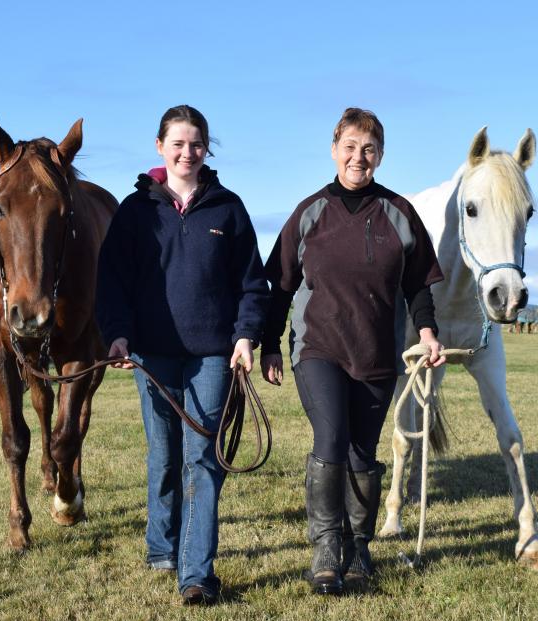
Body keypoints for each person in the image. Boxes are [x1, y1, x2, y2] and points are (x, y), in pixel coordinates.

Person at [260, 108, 446, 595]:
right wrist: (270, 345)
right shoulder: (309, 213)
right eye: (350, 146)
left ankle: (358, 546)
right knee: (332, 438)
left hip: (378, 351)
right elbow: (279, 286)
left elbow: (420, 286)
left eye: (368, 149)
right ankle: (325, 549)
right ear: (333, 149)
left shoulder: (399, 213)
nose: (358, 157)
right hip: (318, 346)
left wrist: (427, 333)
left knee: (363, 452)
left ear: (380, 156)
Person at [95, 105, 269, 606]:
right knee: (164, 456)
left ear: (206, 149)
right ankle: (160, 547)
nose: (188, 152)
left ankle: (196, 574)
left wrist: (244, 336)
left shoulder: (228, 208)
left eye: (196, 144)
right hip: (151, 353)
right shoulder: (135, 211)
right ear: (159, 147)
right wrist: (119, 334)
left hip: (212, 355)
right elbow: (112, 283)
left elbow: (251, 284)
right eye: (178, 143)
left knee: (202, 459)